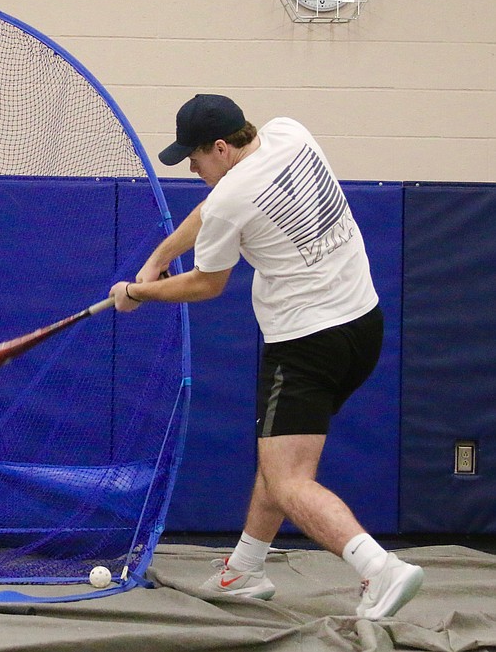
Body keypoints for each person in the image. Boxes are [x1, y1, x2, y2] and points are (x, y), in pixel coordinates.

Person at [109, 94, 422, 620]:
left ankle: (380, 569)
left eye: (195, 156)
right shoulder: (287, 131)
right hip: (362, 326)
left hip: (306, 345)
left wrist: (139, 294)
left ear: (223, 147)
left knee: (287, 478)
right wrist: (159, 258)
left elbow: (208, 284)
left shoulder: (234, 196)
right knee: (279, 456)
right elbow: (213, 206)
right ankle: (245, 570)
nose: (191, 166)